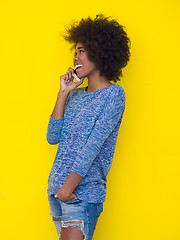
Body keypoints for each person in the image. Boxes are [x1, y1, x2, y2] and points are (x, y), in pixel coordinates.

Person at [46, 14, 131, 240]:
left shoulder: (114, 95)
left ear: (101, 53)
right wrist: (63, 93)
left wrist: (67, 189)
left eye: (81, 51)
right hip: (57, 191)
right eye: (75, 52)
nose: (75, 57)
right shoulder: (74, 95)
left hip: (80, 193)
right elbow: (52, 137)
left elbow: (92, 147)